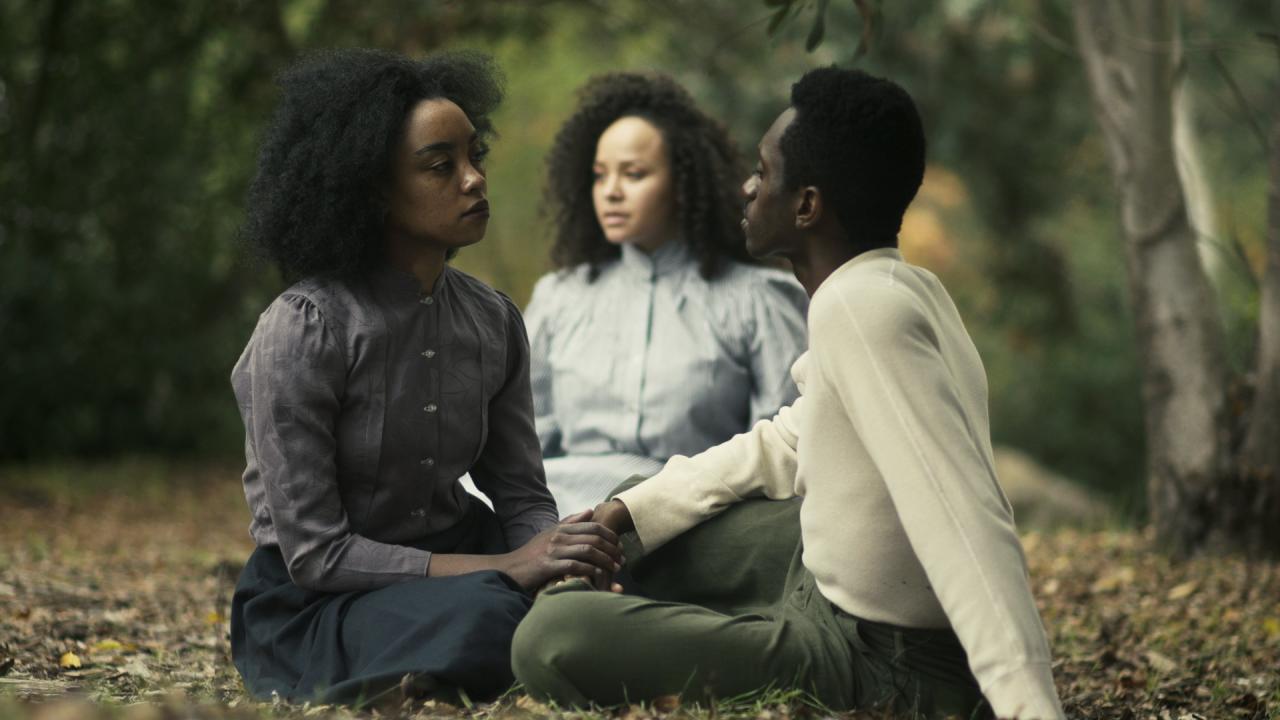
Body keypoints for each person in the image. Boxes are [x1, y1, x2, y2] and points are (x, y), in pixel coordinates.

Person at [511, 67, 1066, 720]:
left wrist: (1027, 703)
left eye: (763, 171)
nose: (747, 187)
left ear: (806, 205)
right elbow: (788, 438)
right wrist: (626, 511)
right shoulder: (900, 287)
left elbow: (964, 520)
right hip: (823, 576)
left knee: (551, 638)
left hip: (882, 661)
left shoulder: (860, 313)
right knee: (641, 512)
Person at [228, 48, 622, 707]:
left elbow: (521, 492)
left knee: (611, 564)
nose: (473, 179)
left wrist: (556, 562)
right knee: (489, 619)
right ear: (373, 190)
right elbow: (317, 557)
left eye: (476, 156)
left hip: (469, 562)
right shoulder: (303, 328)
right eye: (442, 166)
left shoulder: (493, 320)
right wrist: (509, 568)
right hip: (323, 603)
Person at [524, 72, 808, 514]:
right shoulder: (559, 299)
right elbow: (524, 444)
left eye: (633, 174)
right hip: (559, 508)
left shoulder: (759, 300)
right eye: (600, 176)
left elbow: (785, 449)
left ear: (683, 182)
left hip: (689, 515)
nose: (612, 192)